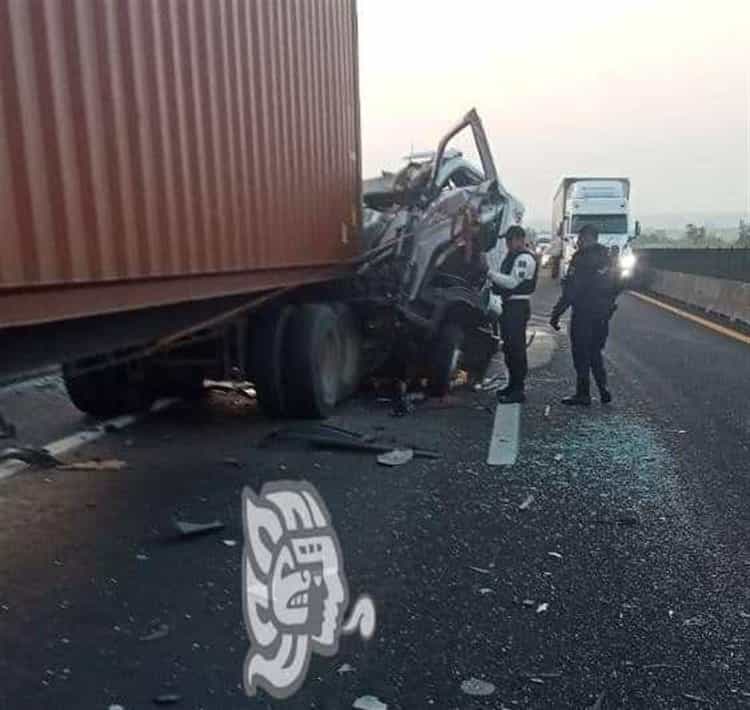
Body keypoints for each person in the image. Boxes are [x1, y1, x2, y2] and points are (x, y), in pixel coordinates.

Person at [549, 224, 618, 405]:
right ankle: (603, 390)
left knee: (581, 353)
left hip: (584, 314)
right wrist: (608, 306)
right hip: (603, 315)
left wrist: (556, 314)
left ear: (586, 238)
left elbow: (572, 291)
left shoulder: (580, 259)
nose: (577, 242)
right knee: (595, 352)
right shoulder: (609, 259)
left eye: (579, 239)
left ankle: (583, 393)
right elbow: (618, 286)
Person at [486, 226, 538, 404]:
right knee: (509, 348)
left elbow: (512, 283)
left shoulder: (524, 258)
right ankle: (512, 385)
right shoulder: (512, 256)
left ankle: (518, 390)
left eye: (510, 240)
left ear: (519, 239)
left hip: (518, 305)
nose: (507, 244)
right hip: (510, 306)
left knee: (516, 349)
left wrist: (490, 274)